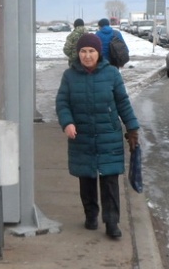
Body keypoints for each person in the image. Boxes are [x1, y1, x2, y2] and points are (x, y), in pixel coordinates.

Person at [56, 32, 140, 239]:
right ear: (78, 53)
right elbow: (62, 103)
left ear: (98, 53)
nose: (87, 55)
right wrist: (67, 123)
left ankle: (112, 223)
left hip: (107, 134)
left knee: (109, 181)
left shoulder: (111, 74)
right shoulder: (70, 76)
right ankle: (91, 215)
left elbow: (122, 102)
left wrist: (132, 128)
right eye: (83, 51)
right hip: (82, 135)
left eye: (91, 51)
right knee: (87, 179)